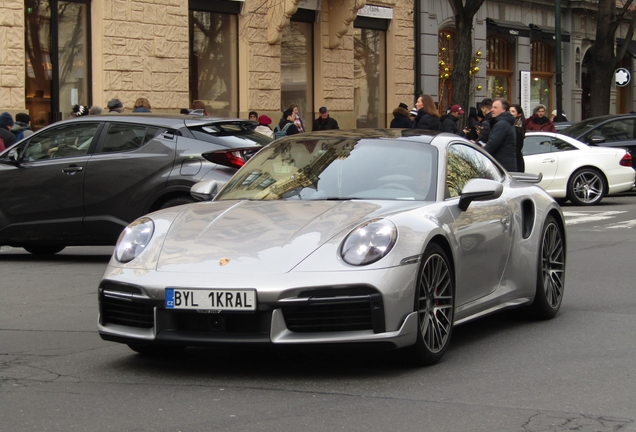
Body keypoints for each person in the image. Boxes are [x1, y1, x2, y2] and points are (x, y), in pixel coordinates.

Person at [484, 98, 517, 172]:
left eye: (495, 107)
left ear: (504, 110)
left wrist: (481, 155)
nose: (492, 110)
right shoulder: (504, 122)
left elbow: (492, 144)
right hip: (504, 165)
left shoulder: (502, 124)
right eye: (492, 107)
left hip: (502, 167)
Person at [510, 104, 526, 172]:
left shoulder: (518, 129)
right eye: (509, 111)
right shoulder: (511, 126)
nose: (510, 113)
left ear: (519, 114)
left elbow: (517, 147)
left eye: (513, 111)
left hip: (516, 162)